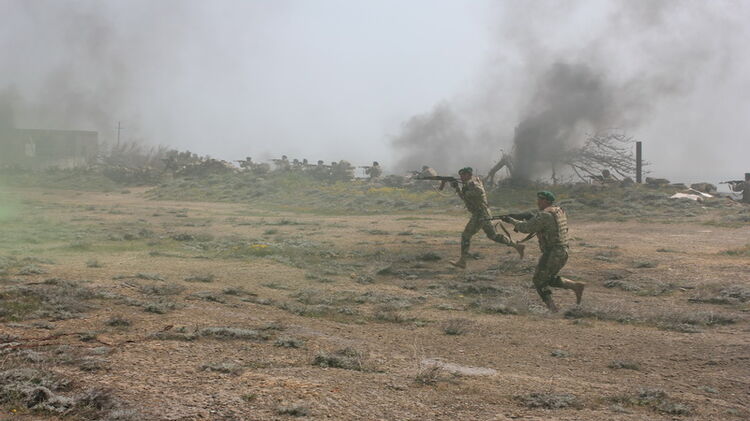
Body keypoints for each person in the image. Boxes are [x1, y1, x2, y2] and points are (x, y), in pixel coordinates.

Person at [503, 191, 585, 312]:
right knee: (547, 278)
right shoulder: (558, 211)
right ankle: (575, 286)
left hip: (552, 253)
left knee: (538, 281)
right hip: (562, 251)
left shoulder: (545, 215)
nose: (538, 202)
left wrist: (511, 220)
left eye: (540, 200)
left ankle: (552, 308)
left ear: (546, 201)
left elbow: (526, 228)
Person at [449, 167, 524, 269]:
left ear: (469, 175)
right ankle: (517, 246)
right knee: (493, 235)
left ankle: (462, 261)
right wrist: (458, 189)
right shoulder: (468, 184)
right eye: (460, 175)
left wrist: (465, 190)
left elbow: (479, 192)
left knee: (466, 235)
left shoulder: (473, 183)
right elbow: (465, 198)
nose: (461, 177)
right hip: (483, 213)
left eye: (463, 175)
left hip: (480, 214)